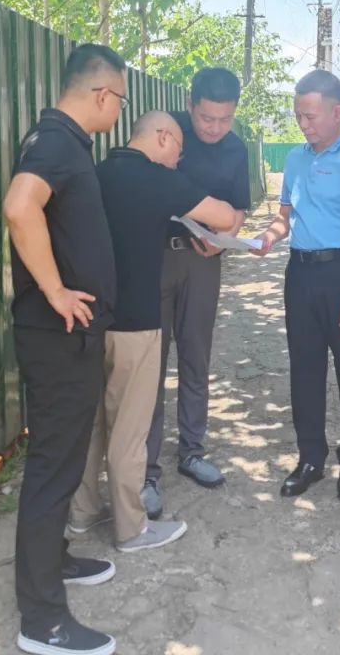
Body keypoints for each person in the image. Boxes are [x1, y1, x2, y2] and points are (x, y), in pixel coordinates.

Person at [3, 44, 128, 655]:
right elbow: (18, 207)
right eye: (120, 99)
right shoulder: (55, 141)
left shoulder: (61, 140)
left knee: (66, 457)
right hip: (57, 337)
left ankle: (52, 560)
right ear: (102, 94)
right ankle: (42, 620)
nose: (119, 110)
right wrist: (54, 290)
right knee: (53, 468)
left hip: (68, 335)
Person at [69, 111, 238, 554]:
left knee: (92, 422)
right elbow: (223, 216)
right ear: (162, 137)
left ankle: (83, 512)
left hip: (91, 316)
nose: (179, 158)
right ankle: (131, 529)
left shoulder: (98, 173)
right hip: (137, 320)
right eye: (178, 148)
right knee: (130, 427)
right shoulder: (158, 179)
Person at [254, 69, 340, 500]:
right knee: (304, 369)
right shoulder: (295, 159)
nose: (303, 125)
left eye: (310, 116)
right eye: (298, 116)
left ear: (336, 112)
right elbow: (285, 217)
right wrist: (268, 237)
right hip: (301, 273)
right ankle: (310, 458)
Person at [144, 68, 251, 518]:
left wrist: (223, 239)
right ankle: (145, 468)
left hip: (203, 262)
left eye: (224, 119)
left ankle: (192, 450)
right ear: (190, 106)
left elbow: (239, 210)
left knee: (195, 354)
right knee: (149, 362)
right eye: (207, 118)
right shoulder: (166, 132)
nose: (214, 128)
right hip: (152, 259)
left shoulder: (236, 149)